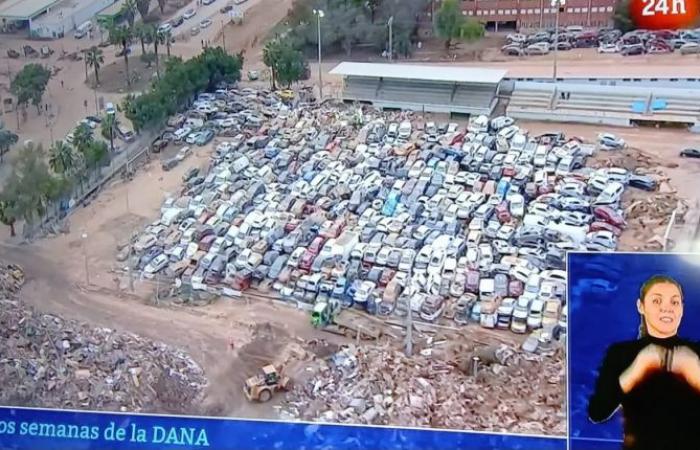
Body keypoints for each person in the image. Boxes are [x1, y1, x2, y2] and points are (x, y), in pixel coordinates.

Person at [587, 275, 700, 450]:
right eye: (657, 301)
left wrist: (695, 374)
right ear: (641, 306)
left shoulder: (696, 353)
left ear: (682, 309)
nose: (667, 309)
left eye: (674, 302)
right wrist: (637, 368)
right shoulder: (621, 353)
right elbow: (598, 413)